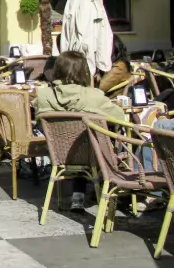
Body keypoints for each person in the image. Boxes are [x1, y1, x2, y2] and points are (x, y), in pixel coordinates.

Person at [33, 50, 127, 210]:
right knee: (95, 139)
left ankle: (78, 194)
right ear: (85, 71)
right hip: (91, 154)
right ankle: (124, 191)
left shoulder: (43, 96)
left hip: (58, 153)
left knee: (82, 139)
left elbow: (39, 122)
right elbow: (120, 119)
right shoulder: (93, 96)